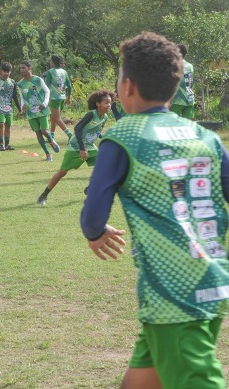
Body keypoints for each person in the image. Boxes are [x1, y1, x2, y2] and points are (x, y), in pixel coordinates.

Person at [81, 32, 229, 389]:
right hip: (213, 278)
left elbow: (93, 212)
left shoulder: (124, 136)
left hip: (172, 290)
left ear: (127, 86)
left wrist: (95, 232)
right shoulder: (204, 136)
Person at [36, 89, 113, 205]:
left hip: (89, 146)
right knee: (62, 172)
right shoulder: (91, 114)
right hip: (76, 146)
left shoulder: (105, 117)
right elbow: (77, 129)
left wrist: (106, 139)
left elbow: (97, 132)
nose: (109, 105)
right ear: (98, 104)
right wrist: (82, 149)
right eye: (106, 102)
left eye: (110, 103)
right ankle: (44, 195)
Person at [17, 60, 59, 161]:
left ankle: (51, 141)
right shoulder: (20, 84)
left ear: (29, 68)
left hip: (42, 110)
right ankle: (48, 154)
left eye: (24, 68)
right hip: (31, 112)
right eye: (20, 68)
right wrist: (22, 106)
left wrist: (44, 103)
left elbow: (47, 91)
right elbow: (22, 97)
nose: (22, 70)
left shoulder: (38, 80)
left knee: (44, 131)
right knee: (38, 133)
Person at [43, 55, 73, 141]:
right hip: (62, 97)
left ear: (53, 62)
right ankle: (51, 136)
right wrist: (69, 97)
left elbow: (47, 86)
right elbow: (69, 86)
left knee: (56, 118)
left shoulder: (50, 72)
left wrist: (44, 97)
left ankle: (70, 135)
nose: (50, 63)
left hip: (54, 98)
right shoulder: (64, 72)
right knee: (53, 117)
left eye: (51, 61)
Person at [0, 62, 18, 151]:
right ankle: (1, 144)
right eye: (4, 71)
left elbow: (15, 96)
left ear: (10, 72)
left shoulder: (12, 82)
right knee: (1, 124)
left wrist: (19, 108)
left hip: (9, 108)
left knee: (8, 126)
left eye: (8, 71)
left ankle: (7, 144)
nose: (6, 73)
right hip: (0, 107)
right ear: (1, 71)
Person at [170, 44, 195, 119]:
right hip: (189, 98)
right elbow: (190, 82)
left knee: (173, 124)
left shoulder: (174, 66)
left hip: (177, 99)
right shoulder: (190, 66)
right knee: (188, 125)